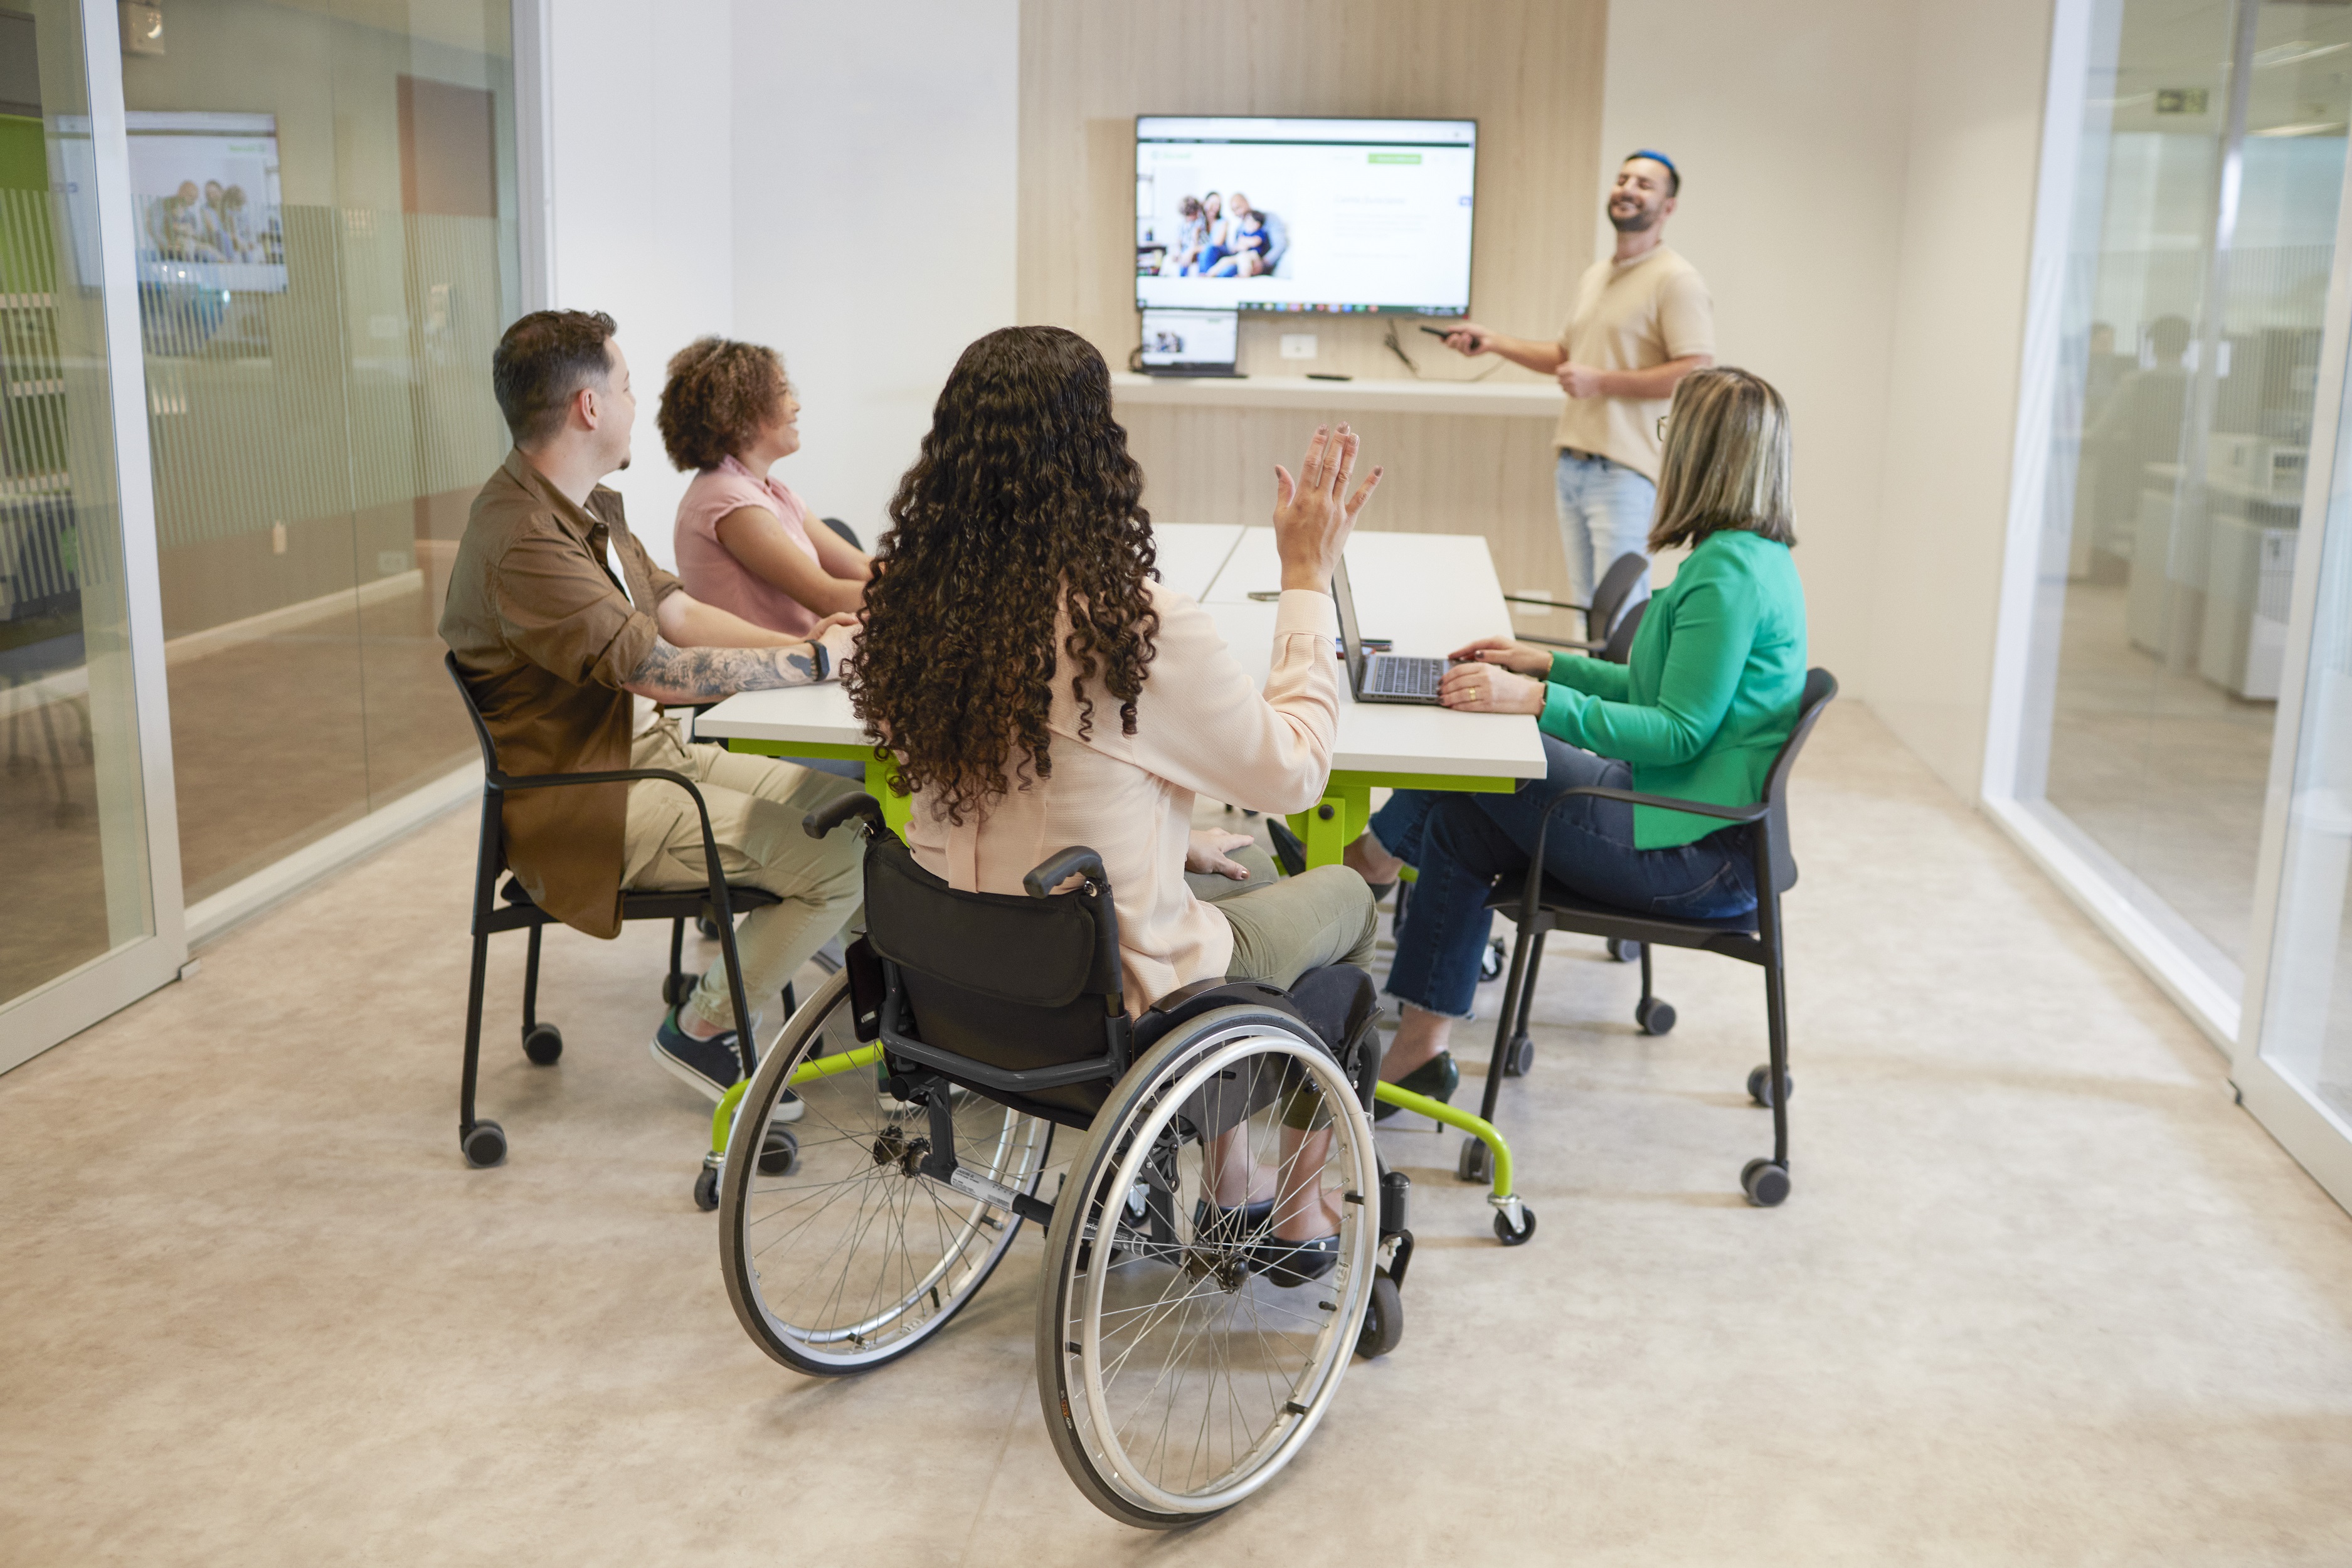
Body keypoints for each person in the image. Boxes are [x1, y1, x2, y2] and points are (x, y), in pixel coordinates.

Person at [847, 324, 1386, 1269]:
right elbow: (1296, 773)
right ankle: (1290, 1207)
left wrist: (1165, 835)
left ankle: (1226, 1174)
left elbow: (1015, 780)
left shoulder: (909, 609)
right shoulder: (1131, 628)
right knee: (1344, 895)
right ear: (1097, 452)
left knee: (1227, 876)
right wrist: (1305, 580)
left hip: (952, 986)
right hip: (1105, 1000)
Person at [1342, 366, 1804, 1115]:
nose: (1662, 447)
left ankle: (1368, 864)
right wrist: (1547, 664)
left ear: (1704, 451)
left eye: (1671, 431)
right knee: (1459, 821)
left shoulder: (1729, 576)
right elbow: (1655, 690)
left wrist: (1535, 700)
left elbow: (1678, 731)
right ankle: (1421, 1047)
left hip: (1691, 853)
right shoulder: (1749, 557)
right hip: (1679, 822)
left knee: (1483, 752)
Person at [440, 309, 866, 1110]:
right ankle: (702, 1028)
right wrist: (812, 662)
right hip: (587, 801)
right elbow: (656, 670)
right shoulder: (525, 540)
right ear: (589, 407)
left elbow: (675, 610)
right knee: (837, 865)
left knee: (859, 817)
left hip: (645, 758)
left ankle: (877, 1011)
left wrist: (806, 642)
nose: (638, 405)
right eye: (628, 388)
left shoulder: (583, 506)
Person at [1439, 151, 1715, 617]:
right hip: (1573, 465)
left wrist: (1601, 381)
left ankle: (1627, 672)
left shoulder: (1676, 279)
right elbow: (1568, 358)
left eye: (1644, 184)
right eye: (1623, 179)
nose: (1628, 189)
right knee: (1589, 609)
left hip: (1625, 470)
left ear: (1668, 207)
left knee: (1621, 612)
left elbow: (1696, 370)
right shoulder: (1597, 275)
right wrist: (1494, 343)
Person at [661, 336, 873, 632]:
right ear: (736, 412)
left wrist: (927, 572)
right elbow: (826, 597)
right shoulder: (726, 497)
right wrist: (926, 590)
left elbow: (863, 567)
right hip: (782, 660)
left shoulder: (769, 490)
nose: (796, 406)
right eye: (783, 393)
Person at [1224, 193, 1288, 276]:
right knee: (1223, 265)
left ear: (1246, 203)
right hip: (1241, 260)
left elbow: (1280, 245)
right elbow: (1237, 250)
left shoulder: (1270, 218)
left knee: (1228, 272)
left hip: (1261, 263)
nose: (1236, 213)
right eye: (1233, 211)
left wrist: (1263, 263)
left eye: (1238, 208)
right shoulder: (1240, 229)